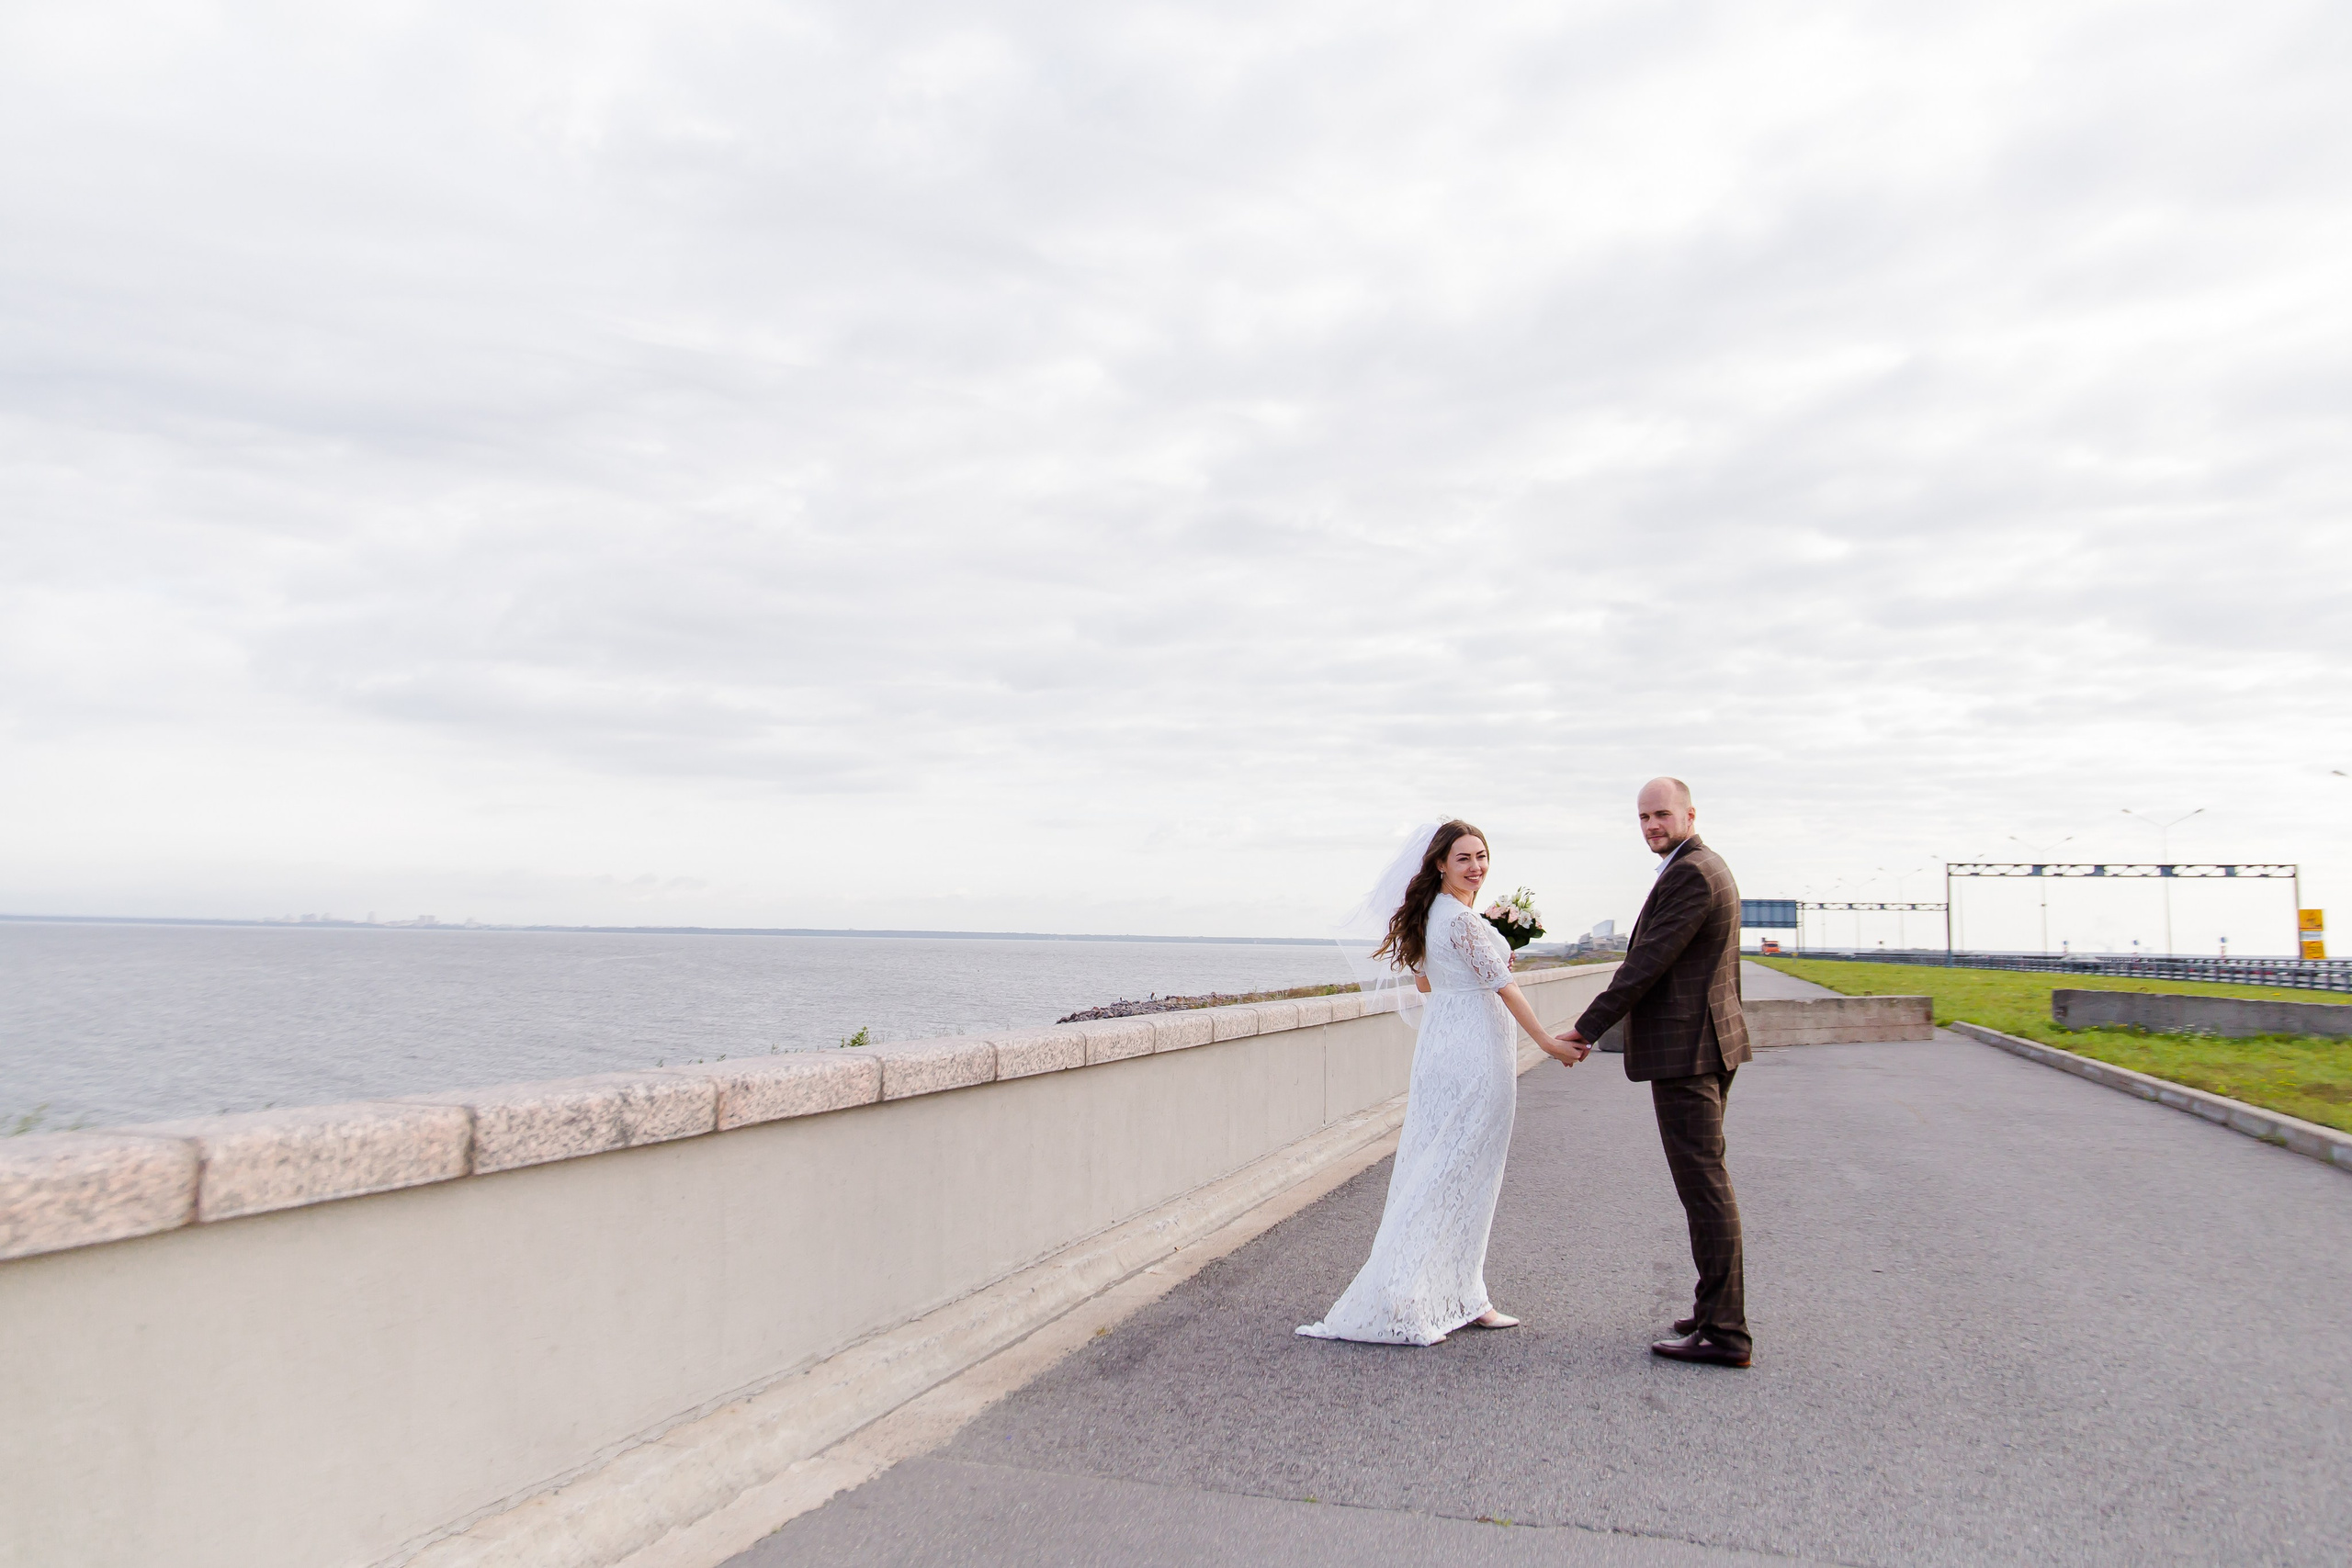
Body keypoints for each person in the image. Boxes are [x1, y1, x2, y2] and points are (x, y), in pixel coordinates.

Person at [1299, 820, 1587, 1346]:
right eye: (1463, 859)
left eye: (1481, 856)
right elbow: (1505, 988)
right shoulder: (1462, 922)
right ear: (1439, 864)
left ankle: (1461, 1294)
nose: (1476, 867)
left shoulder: (1435, 916)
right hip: (1476, 1052)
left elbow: (1428, 981)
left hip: (1444, 1045)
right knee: (1459, 1171)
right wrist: (1546, 1042)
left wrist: (1485, 955)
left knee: (1449, 1167)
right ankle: (1418, 1297)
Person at [1550, 777, 1754, 1368]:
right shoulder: (1700, 865)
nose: (1651, 827)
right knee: (1706, 1187)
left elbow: (1646, 965)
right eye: (1643, 818)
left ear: (1691, 813)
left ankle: (1726, 1333)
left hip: (1690, 1053)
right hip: (1710, 1044)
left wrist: (1584, 1029)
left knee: (1705, 1191)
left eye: (1661, 815)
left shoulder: (1692, 872)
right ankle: (1714, 1307)